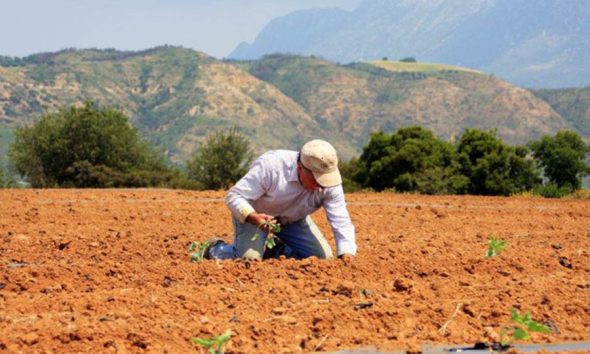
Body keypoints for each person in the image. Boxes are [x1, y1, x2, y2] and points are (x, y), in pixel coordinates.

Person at [203, 139, 356, 261]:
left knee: (322, 258)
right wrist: (254, 217)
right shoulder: (271, 167)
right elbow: (234, 196)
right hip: (255, 217)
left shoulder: (330, 183)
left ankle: (278, 250)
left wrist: (347, 253)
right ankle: (214, 249)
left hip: (292, 220)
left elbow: (340, 219)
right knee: (248, 260)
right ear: (301, 168)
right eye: (317, 179)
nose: (322, 185)